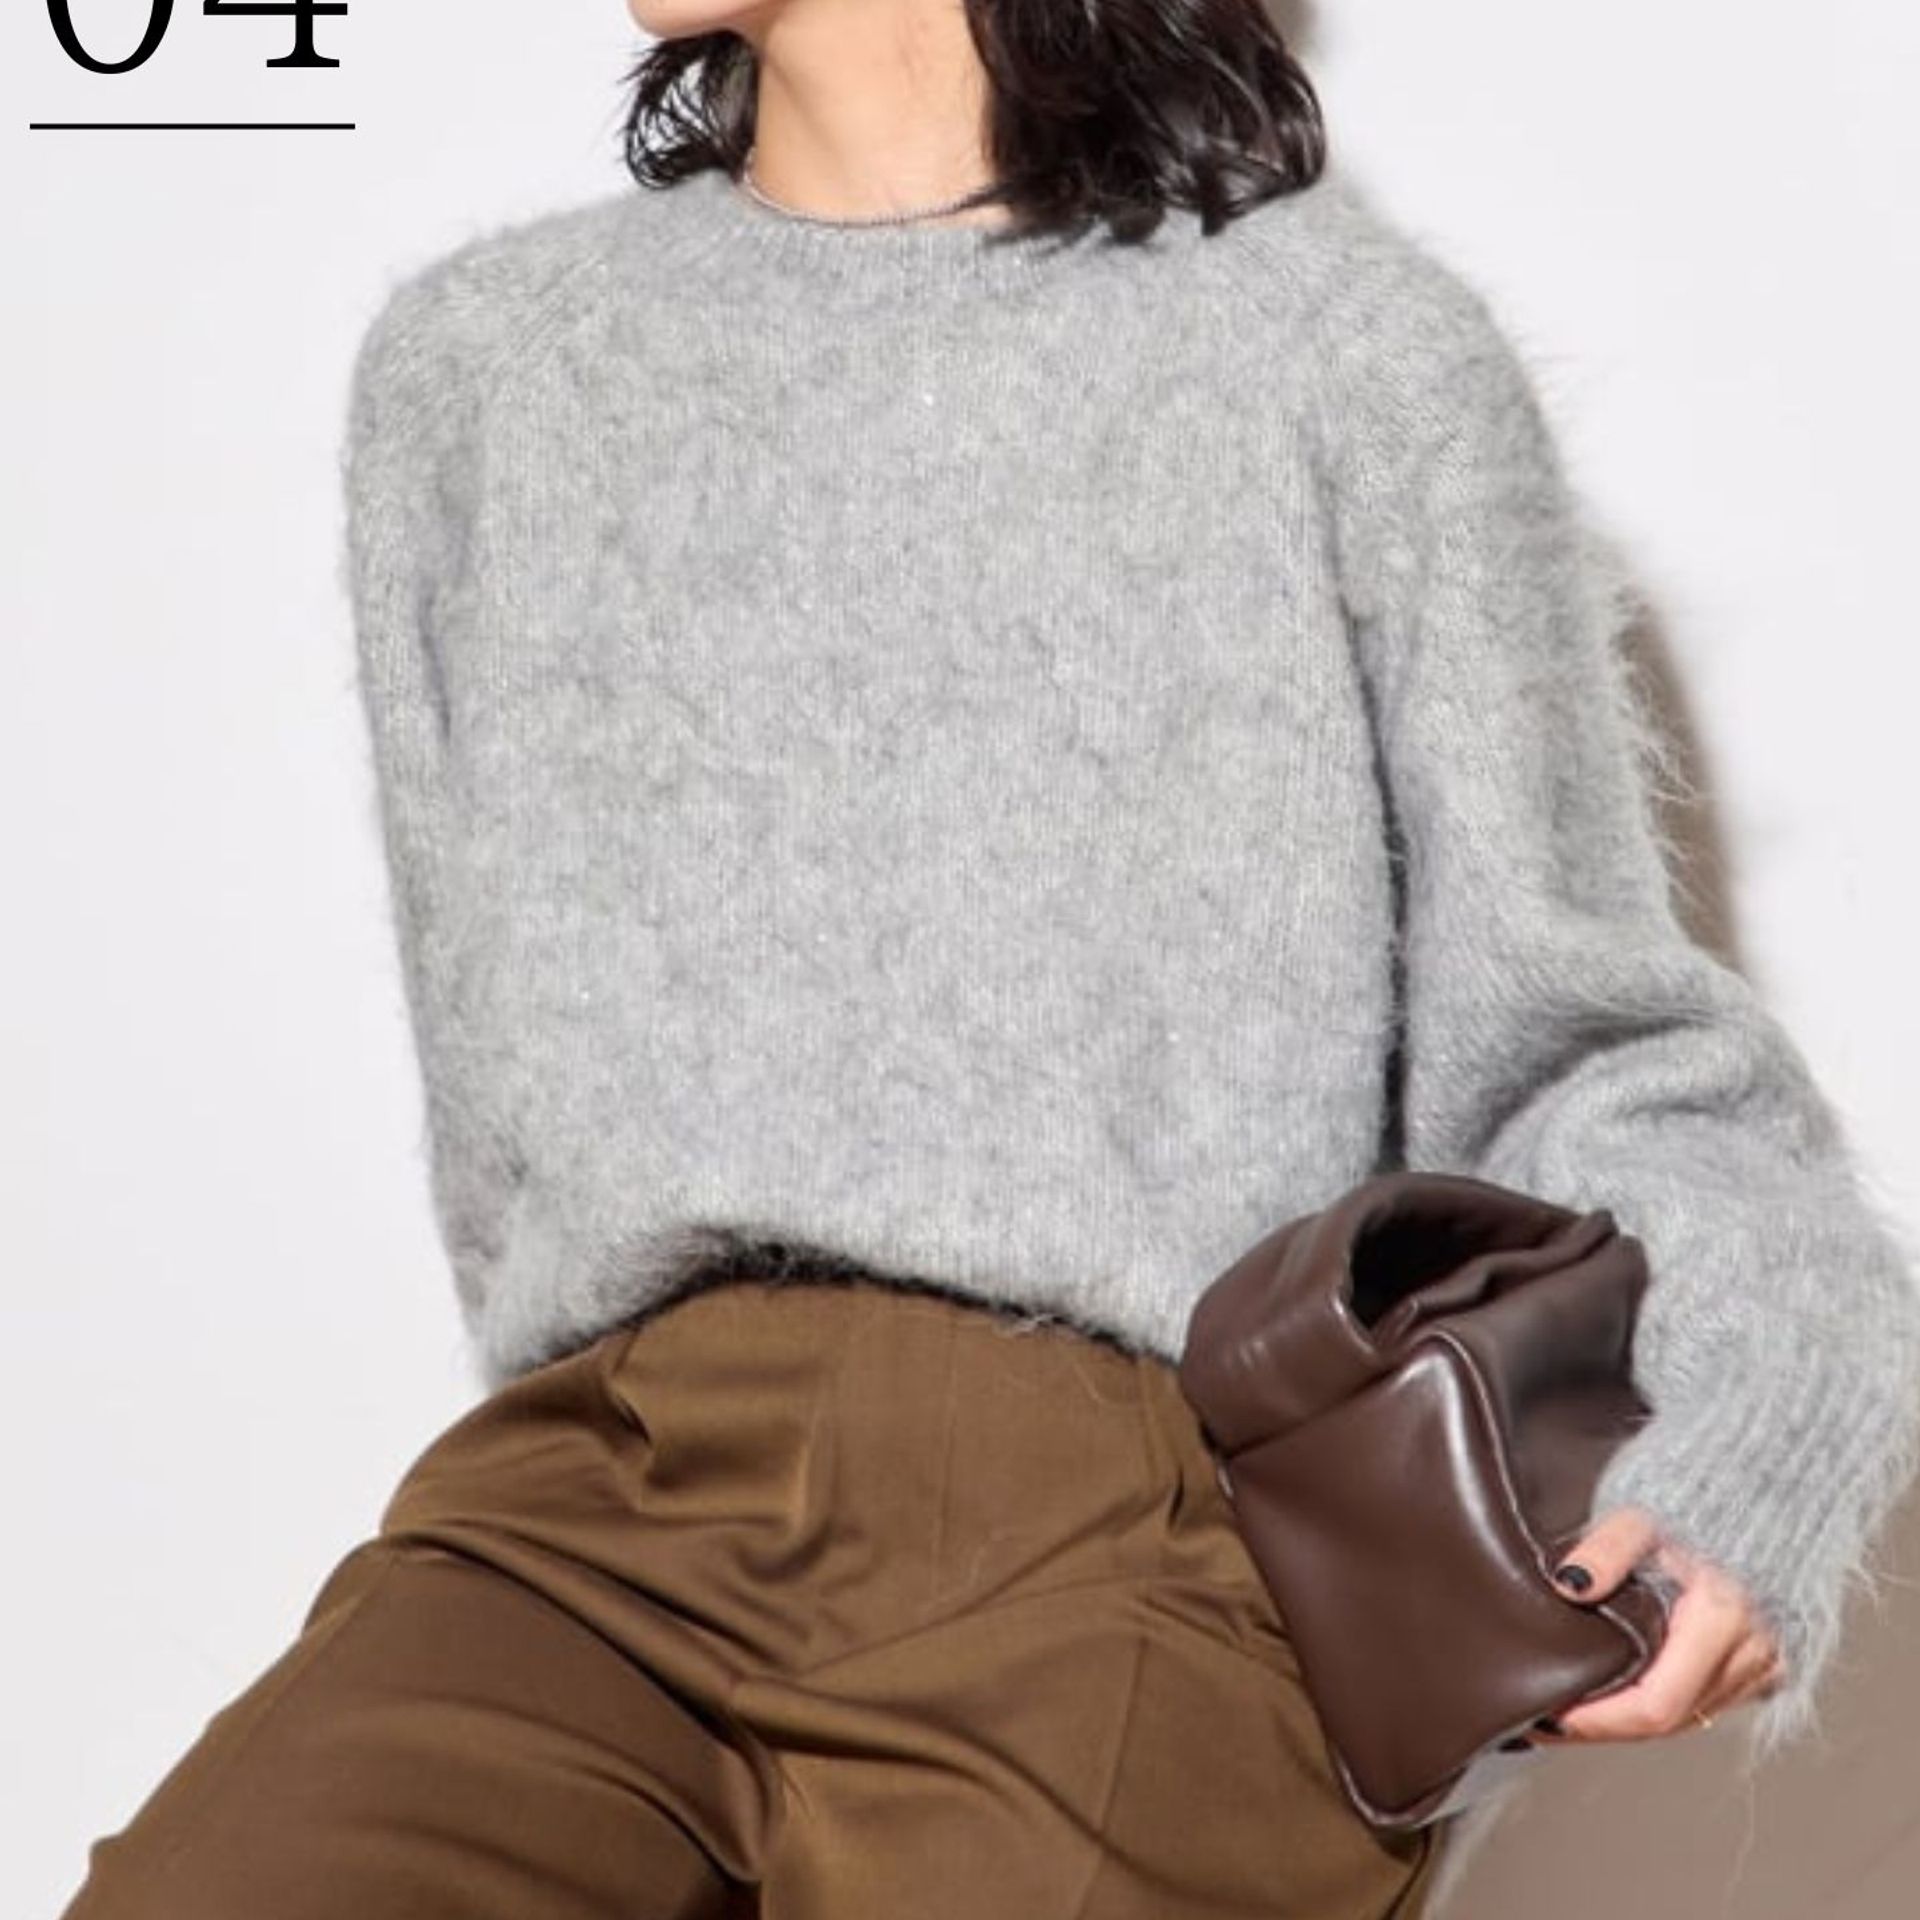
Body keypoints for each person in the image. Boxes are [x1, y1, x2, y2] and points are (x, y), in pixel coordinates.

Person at [63, 1, 1920, 1915]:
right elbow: (503, 1140)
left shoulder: (1339, 358)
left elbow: (1595, 1052)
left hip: (1133, 1529)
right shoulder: (483, 376)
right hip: (587, 1499)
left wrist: (1749, 1446)